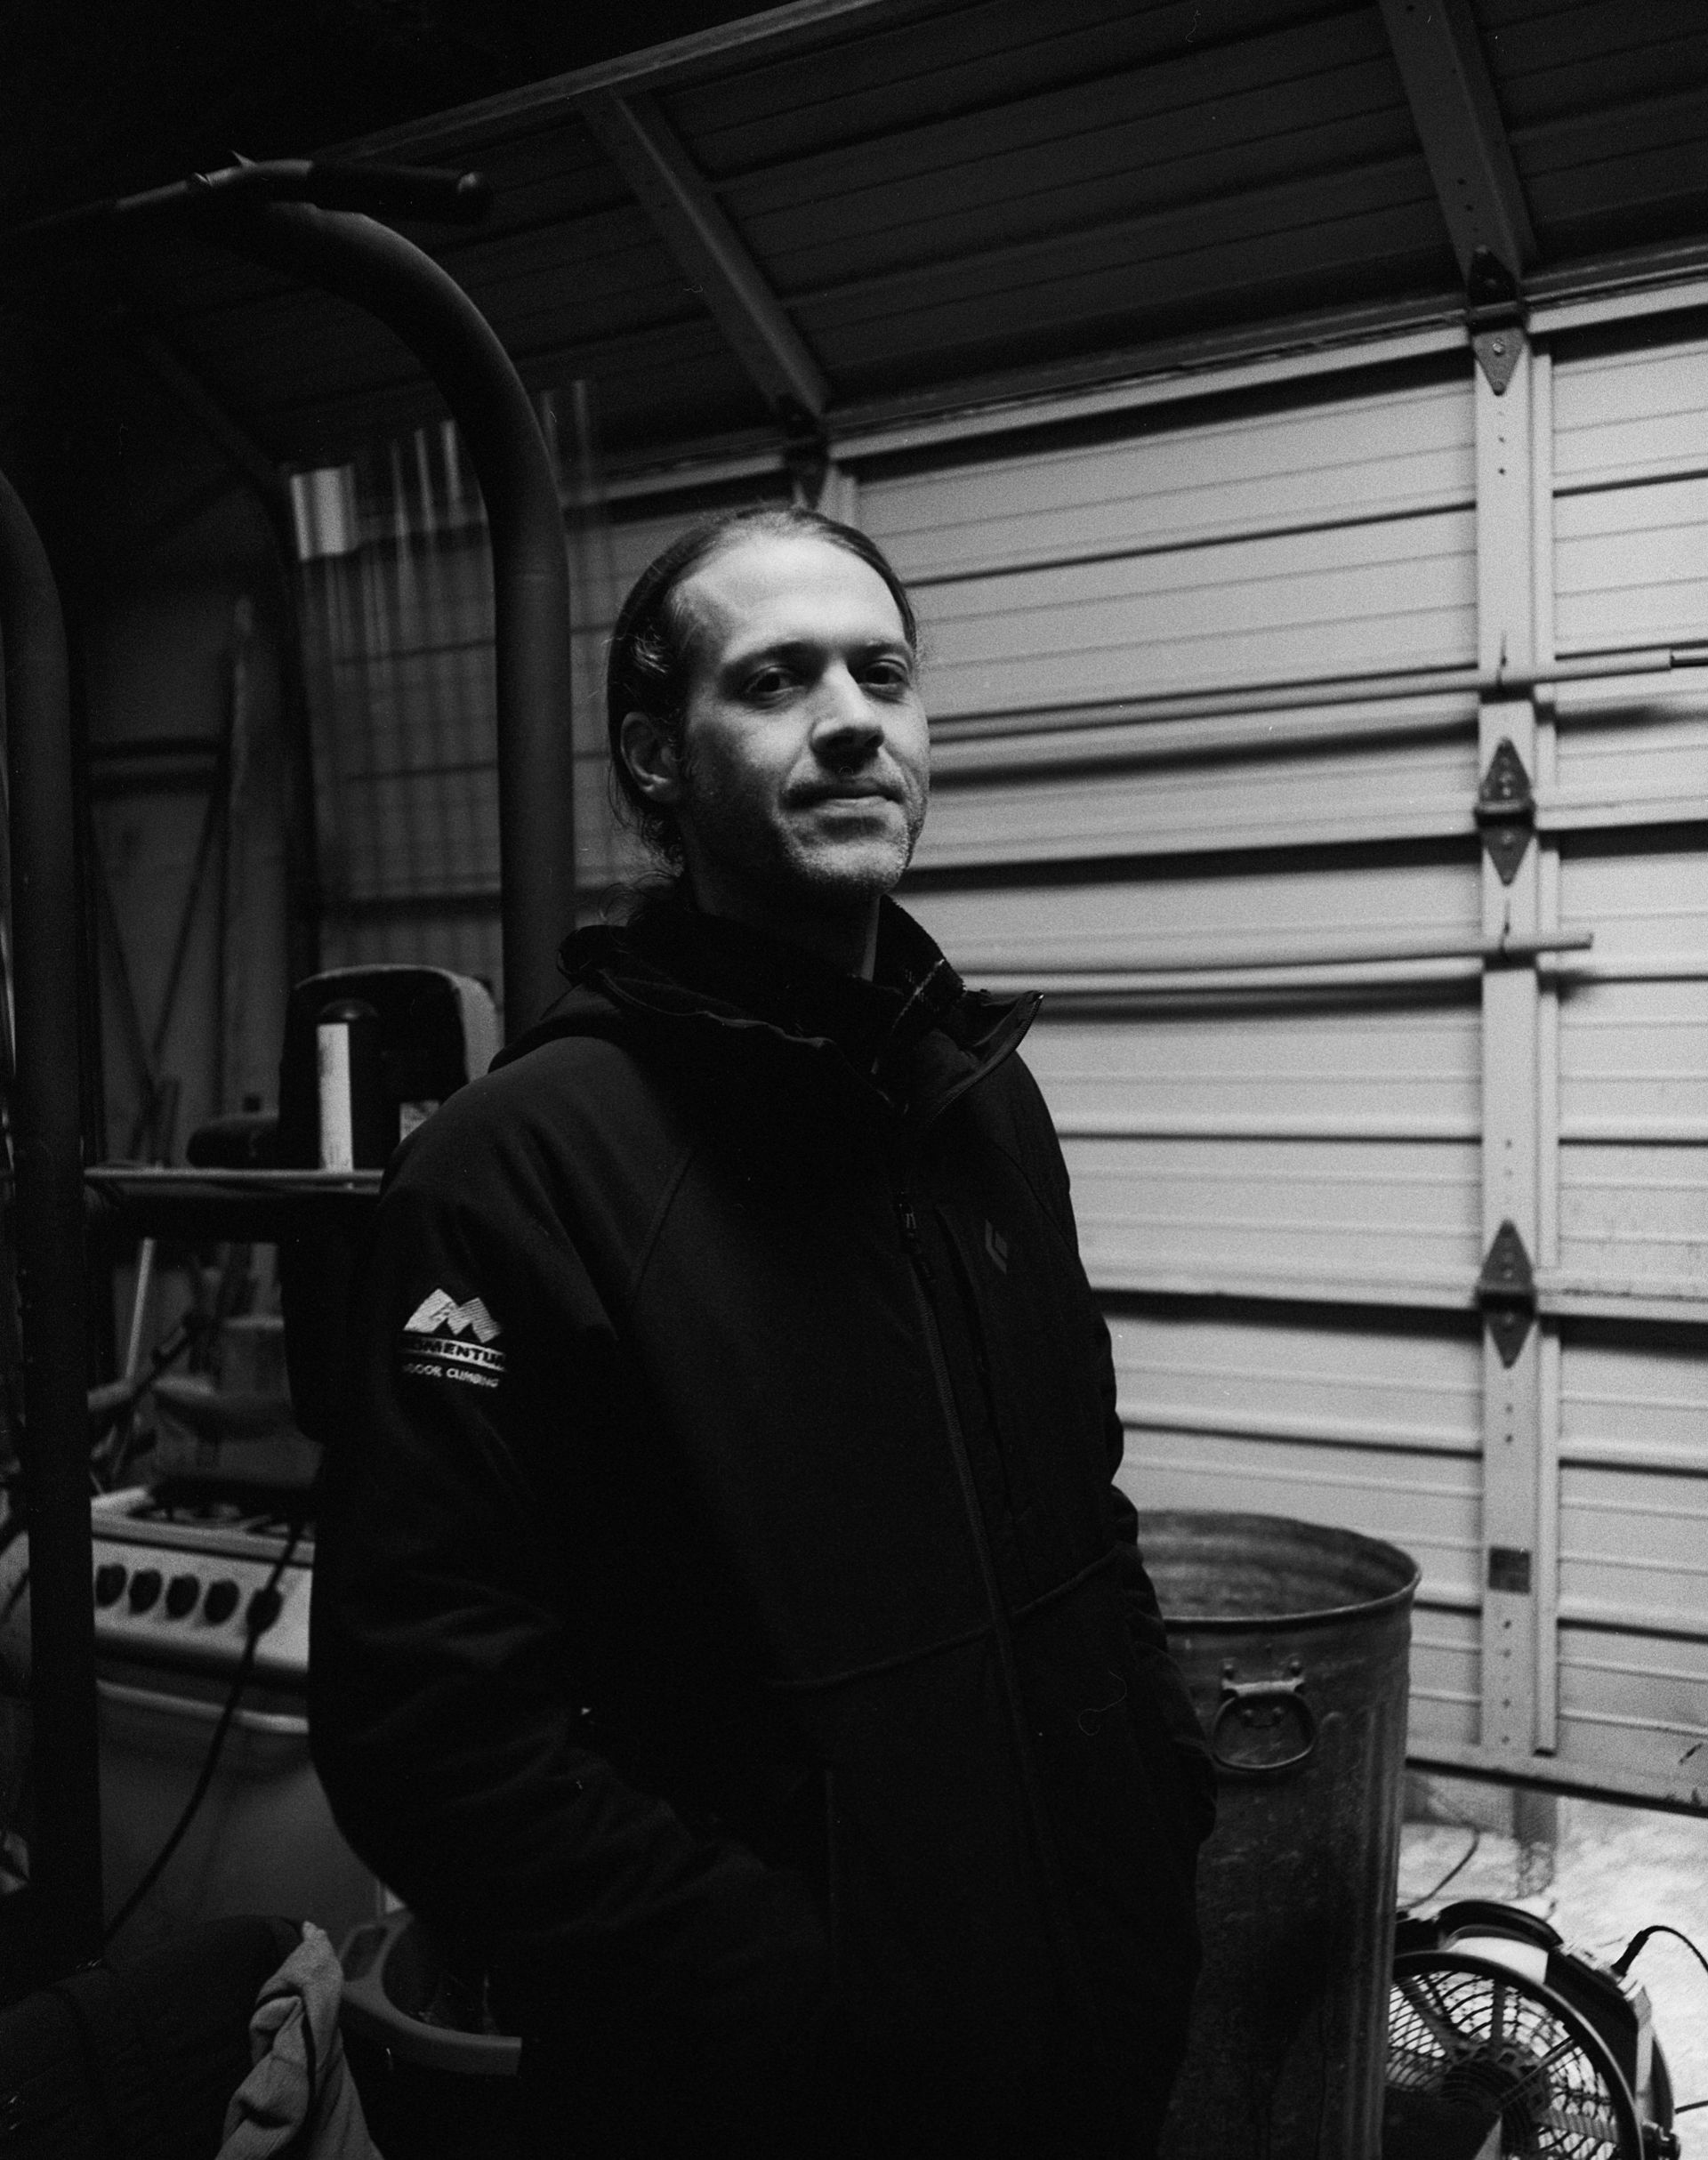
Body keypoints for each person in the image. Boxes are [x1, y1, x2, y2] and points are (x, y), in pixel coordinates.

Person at [310, 505, 1214, 2158]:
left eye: (884, 673)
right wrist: (797, 1997)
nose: (854, 718)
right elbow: (429, 1736)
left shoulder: (983, 1106)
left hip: (1083, 2046)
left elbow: (1081, 1523)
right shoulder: (520, 1170)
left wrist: (1153, 1808)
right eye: (777, 680)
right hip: (770, 2103)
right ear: (658, 759)